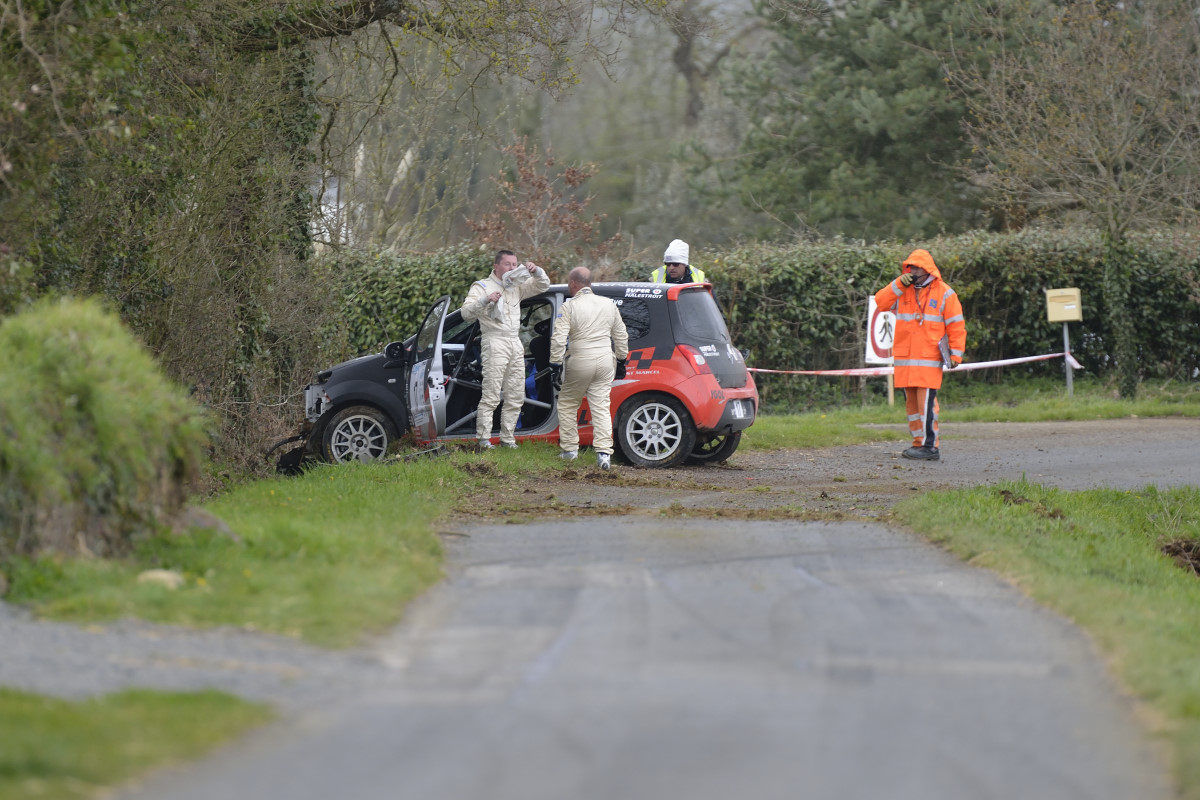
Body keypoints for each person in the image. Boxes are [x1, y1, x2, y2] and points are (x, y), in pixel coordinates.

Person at [873, 249, 966, 461]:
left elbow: (956, 326)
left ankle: (930, 447)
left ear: (927, 270)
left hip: (928, 360)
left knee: (926, 407)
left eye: (916, 268)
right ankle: (919, 443)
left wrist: (955, 355)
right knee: (913, 408)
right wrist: (898, 283)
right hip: (905, 361)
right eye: (910, 268)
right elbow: (881, 302)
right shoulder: (902, 290)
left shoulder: (945, 293)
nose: (912, 272)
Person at [461, 249, 550, 449]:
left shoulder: (516, 285)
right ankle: (483, 439)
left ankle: (508, 438)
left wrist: (536, 271)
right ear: (496, 266)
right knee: (491, 393)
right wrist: (485, 300)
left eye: (514, 264)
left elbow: (543, 285)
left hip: (514, 341)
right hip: (494, 340)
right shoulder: (482, 286)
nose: (511, 267)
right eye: (507, 264)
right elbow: (466, 314)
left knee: (516, 394)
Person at [549, 266, 630, 470]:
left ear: (573, 283)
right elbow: (621, 335)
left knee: (568, 403)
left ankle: (570, 450)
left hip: (580, 359)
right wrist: (622, 361)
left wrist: (555, 365)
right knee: (601, 406)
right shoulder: (608, 304)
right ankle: (604, 454)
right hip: (605, 359)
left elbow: (559, 339)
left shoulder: (569, 306)